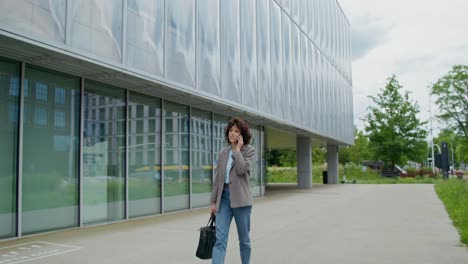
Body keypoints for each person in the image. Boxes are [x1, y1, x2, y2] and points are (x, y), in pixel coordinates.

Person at [210, 117, 255, 264]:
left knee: (244, 240)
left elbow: (242, 170)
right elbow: (217, 179)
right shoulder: (223, 152)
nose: (232, 133)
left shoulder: (249, 150)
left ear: (242, 135)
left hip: (241, 201)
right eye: (231, 130)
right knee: (220, 239)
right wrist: (213, 202)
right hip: (223, 199)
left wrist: (237, 150)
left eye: (236, 131)